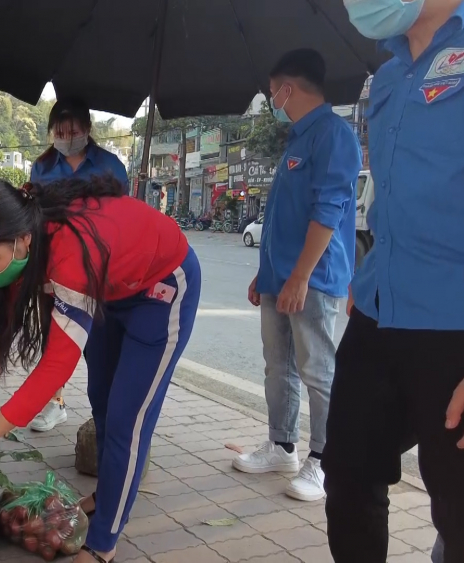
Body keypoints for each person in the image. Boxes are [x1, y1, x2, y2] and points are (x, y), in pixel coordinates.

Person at [0, 176, 201, 563]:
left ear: (22, 238)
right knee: (103, 403)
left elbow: (57, 365)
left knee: (128, 419)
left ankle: (104, 541)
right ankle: (108, 493)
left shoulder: (69, 253)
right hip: (109, 291)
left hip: (161, 291)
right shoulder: (16, 250)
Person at [323, 1, 464, 561]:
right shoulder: (385, 75)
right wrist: (371, 271)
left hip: (453, 321)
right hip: (379, 310)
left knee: (456, 505)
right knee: (349, 473)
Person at [233, 48, 361, 503]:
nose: (273, 100)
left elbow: (327, 214)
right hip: (279, 278)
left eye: (273, 92)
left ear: (288, 88)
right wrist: (265, 275)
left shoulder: (334, 135)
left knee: (318, 371)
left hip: (313, 279)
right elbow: (281, 220)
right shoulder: (297, 138)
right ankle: (282, 445)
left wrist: (300, 276)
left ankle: (325, 461)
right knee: (278, 367)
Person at [26, 98, 131, 432]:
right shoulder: (42, 168)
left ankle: (109, 413)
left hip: (100, 269)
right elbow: (35, 217)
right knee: (53, 334)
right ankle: (54, 403)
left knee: (99, 343)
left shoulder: (111, 166)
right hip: (54, 265)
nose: (66, 137)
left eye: (73, 131)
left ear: (87, 130)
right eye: (59, 131)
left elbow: (124, 220)